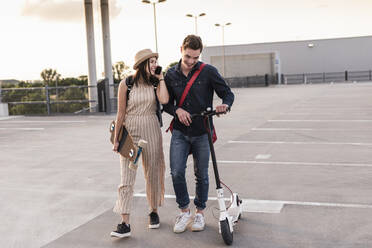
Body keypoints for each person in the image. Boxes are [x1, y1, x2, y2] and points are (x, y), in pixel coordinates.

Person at [163, 35, 234, 233]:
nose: (191, 62)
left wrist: (225, 105)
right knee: (176, 172)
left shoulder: (208, 72)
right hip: (180, 131)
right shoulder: (170, 75)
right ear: (181, 50)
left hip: (202, 131)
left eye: (195, 57)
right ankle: (185, 211)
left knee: (201, 174)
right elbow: (165, 102)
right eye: (188, 57)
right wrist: (176, 110)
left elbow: (227, 93)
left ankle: (200, 213)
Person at [111, 48, 169, 238]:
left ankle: (153, 212)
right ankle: (124, 223)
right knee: (126, 178)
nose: (154, 65)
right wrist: (117, 138)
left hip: (152, 129)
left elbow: (165, 100)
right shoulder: (125, 84)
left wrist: (160, 78)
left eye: (155, 61)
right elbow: (120, 114)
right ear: (142, 65)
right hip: (131, 132)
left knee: (152, 172)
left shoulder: (156, 83)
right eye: (151, 62)